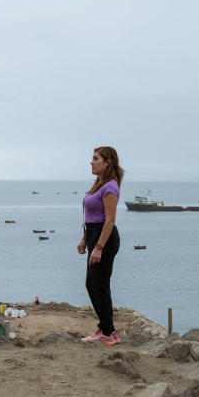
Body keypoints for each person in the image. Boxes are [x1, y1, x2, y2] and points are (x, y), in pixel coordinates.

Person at [76, 146, 124, 345]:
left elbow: (109, 220)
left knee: (100, 284)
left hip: (105, 238)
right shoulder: (99, 184)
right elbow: (92, 218)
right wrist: (85, 239)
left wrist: (99, 247)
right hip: (94, 234)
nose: (91, 162)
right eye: (92, 158)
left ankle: (109, 332)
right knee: (92, 284)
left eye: (96, 159)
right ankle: (105, 327)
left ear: (107, 162)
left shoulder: (110, 187)